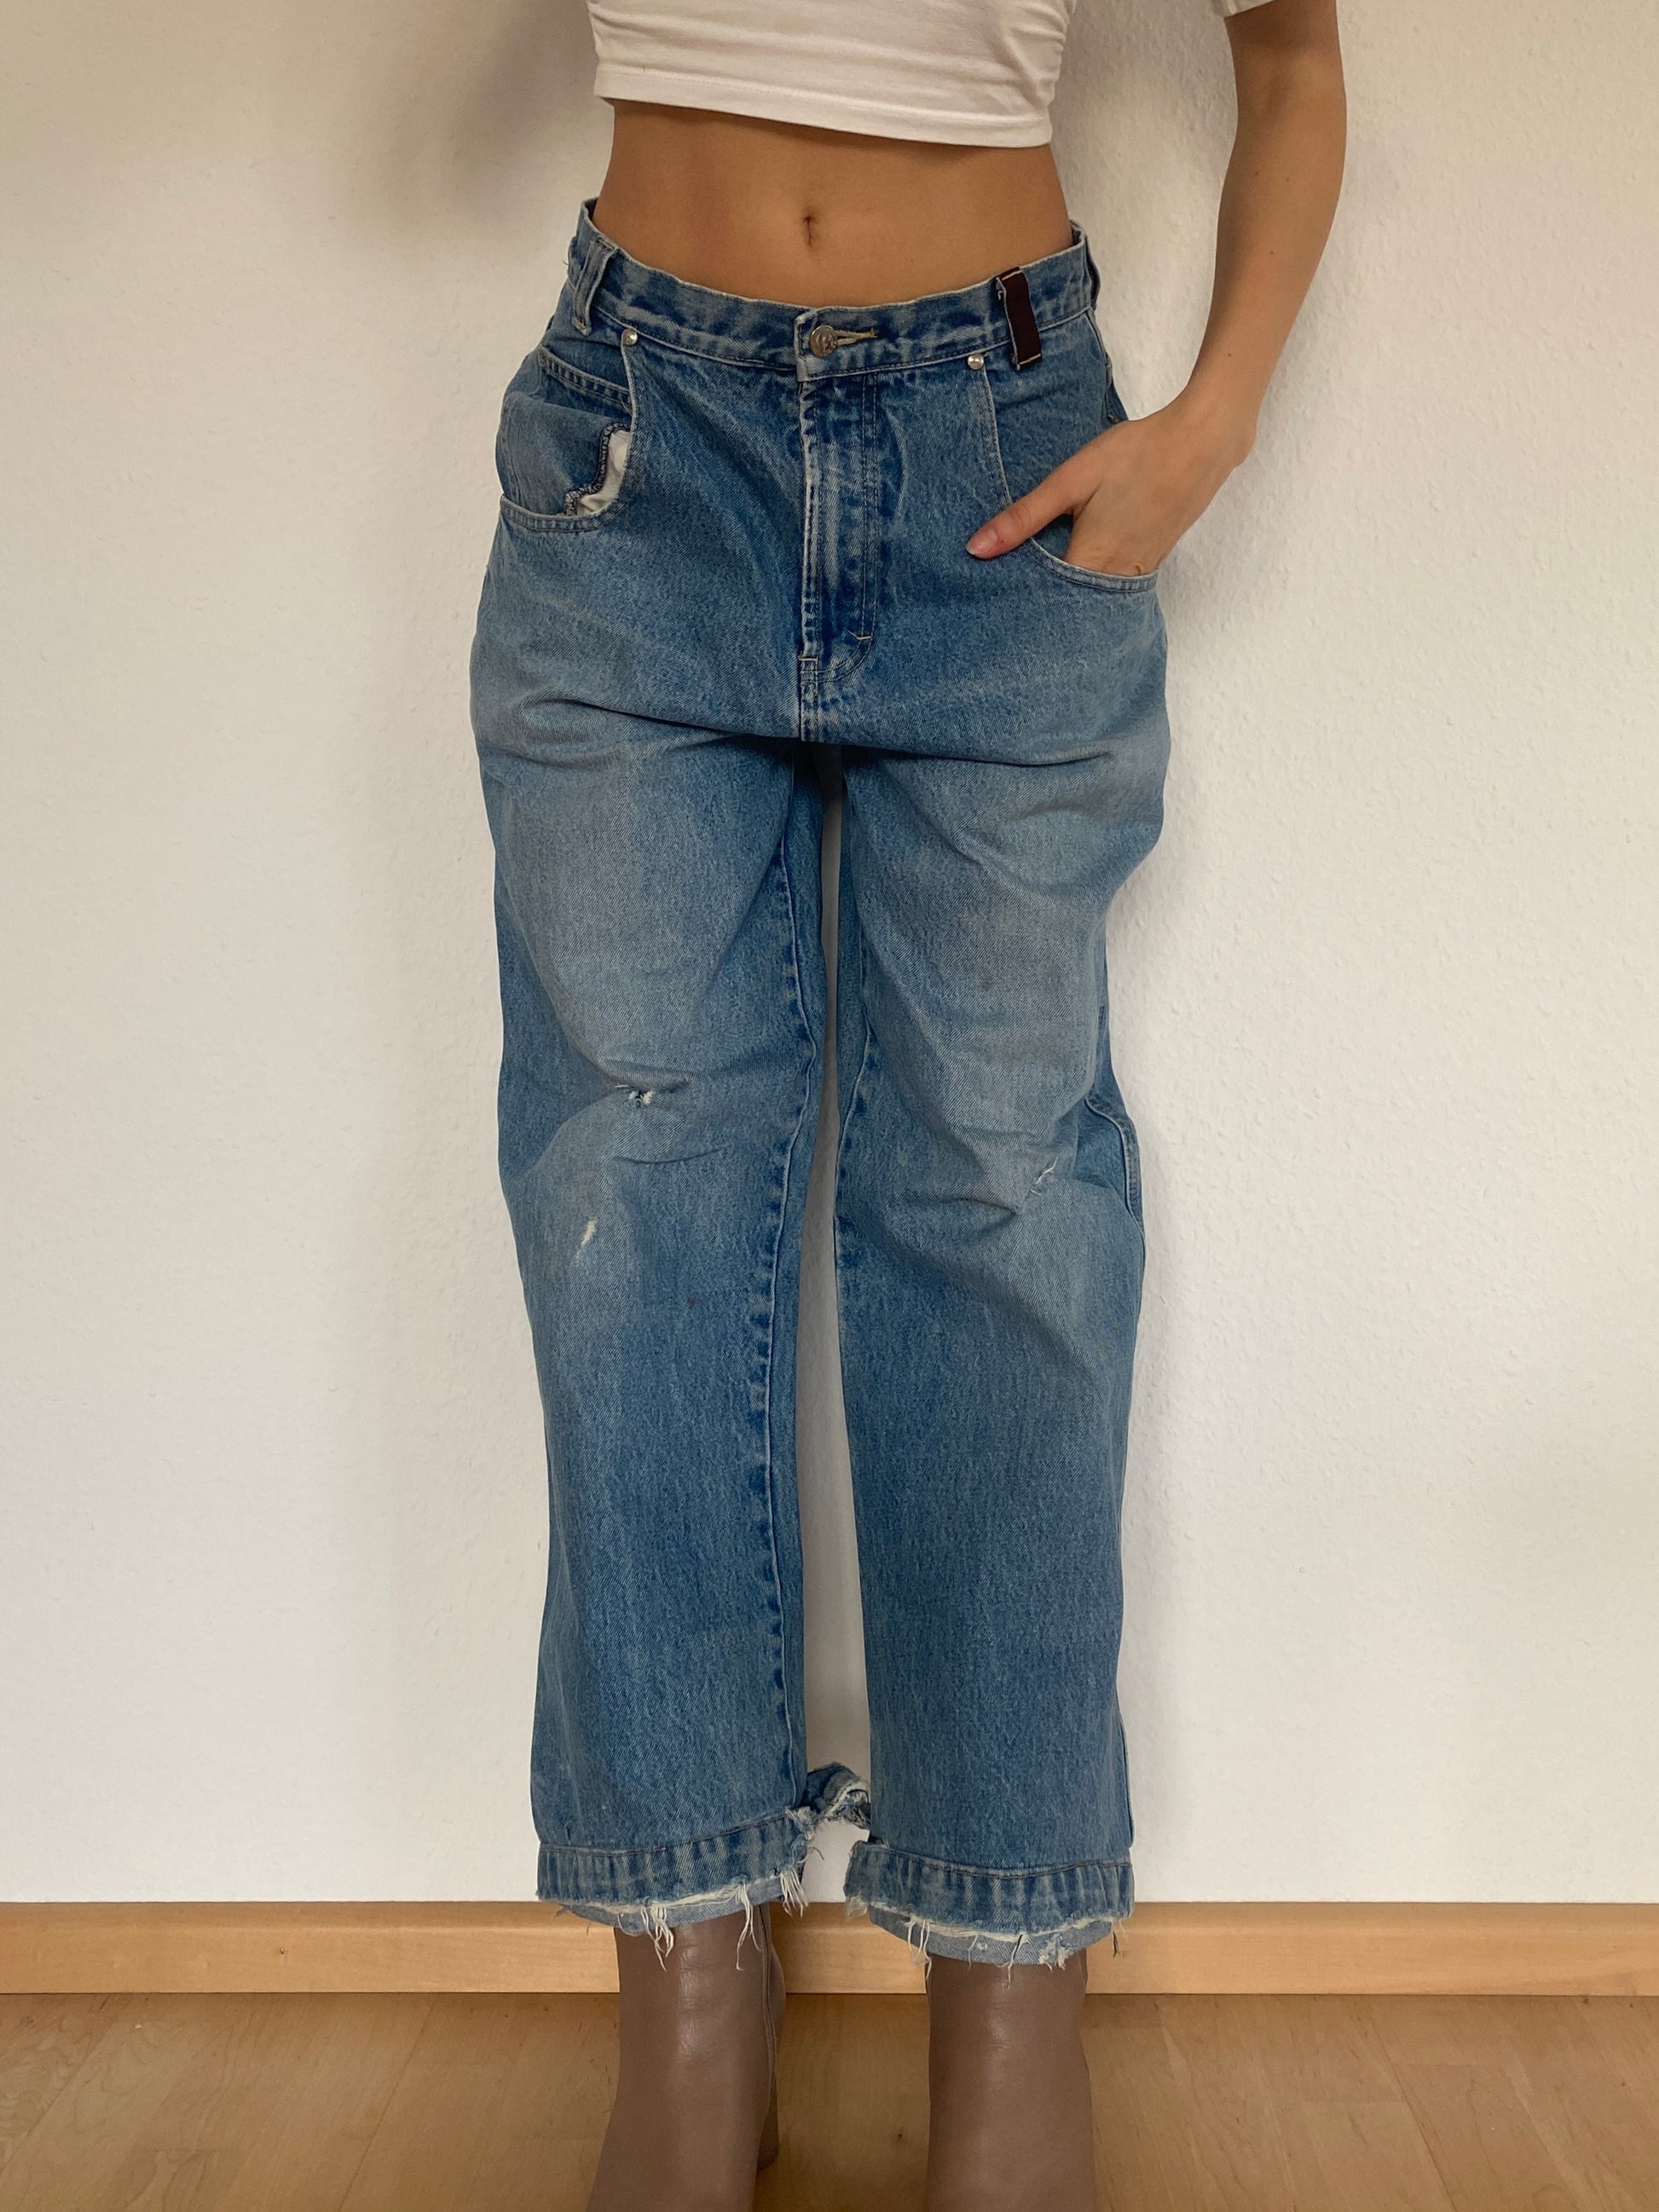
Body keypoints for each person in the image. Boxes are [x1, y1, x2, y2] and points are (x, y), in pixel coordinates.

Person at [468, 0, 1345, 2201]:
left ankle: (1011, 2005)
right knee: (627, 1206)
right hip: (634, 455)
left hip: (1002, 458)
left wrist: (1213, 425)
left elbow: (1294, 57)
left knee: (1005, 1209)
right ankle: (687, 2007)